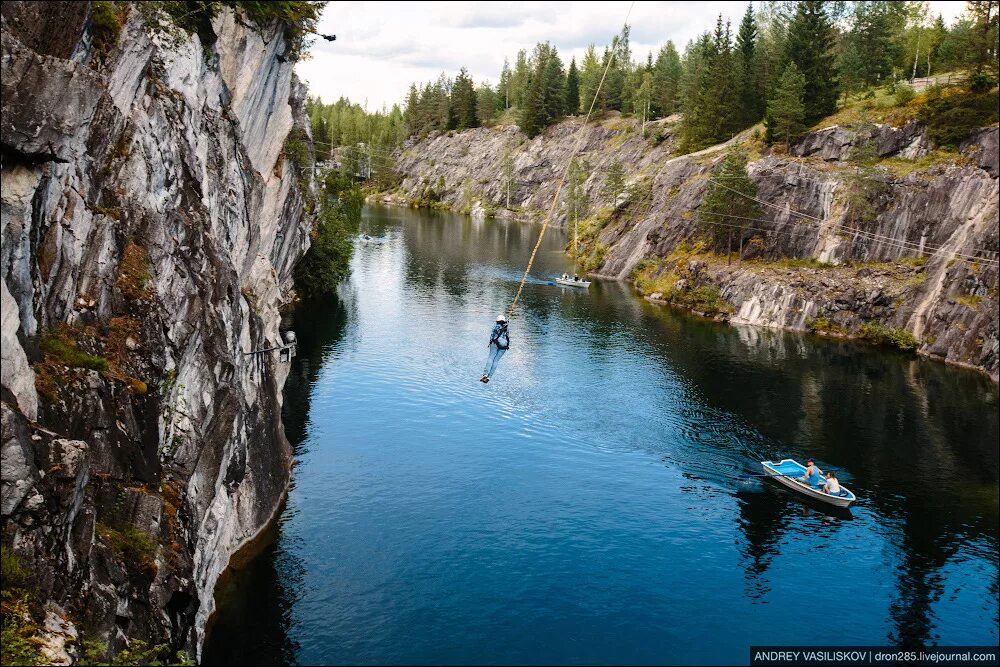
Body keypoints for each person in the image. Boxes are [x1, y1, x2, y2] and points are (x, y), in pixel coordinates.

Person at [481, 314, 510, 383]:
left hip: (495, 343)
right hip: (504, 345)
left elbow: (492, 336)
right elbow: (507, 335)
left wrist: (490, 343)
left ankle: (485, 375)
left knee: (491, 358)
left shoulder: (496, 326)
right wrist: (506, 324)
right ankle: (489, 377)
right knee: (496, 361)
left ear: (497, 321)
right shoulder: (506, 327)